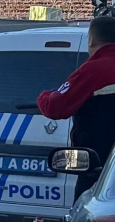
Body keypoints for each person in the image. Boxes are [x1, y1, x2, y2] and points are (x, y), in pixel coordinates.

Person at [38, 14, 115, 197]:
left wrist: (43, 96)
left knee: (87, 212)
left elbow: (55, 107)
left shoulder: (94, 70)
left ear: (92, 40)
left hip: (101, 169)